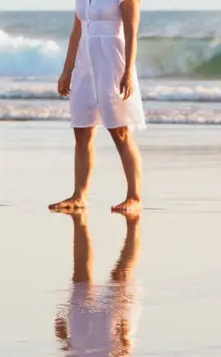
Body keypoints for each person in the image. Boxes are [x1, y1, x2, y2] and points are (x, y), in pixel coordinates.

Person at [50, 0, 146, 213]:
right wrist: (67, 70)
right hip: (85, 64)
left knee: (120, 131)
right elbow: (76, 32)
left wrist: (128, 71)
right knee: (82, 130)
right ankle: (79, 196)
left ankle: (134, 196)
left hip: (112, 62)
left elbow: (131, 32)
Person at [53, 211, 142, 357]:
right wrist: (64, 342)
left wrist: (65, 343)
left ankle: (82, 222)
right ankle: (131, 225)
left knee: (86, 275)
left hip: (91, 343)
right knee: (117, 275)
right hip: (99, 343)